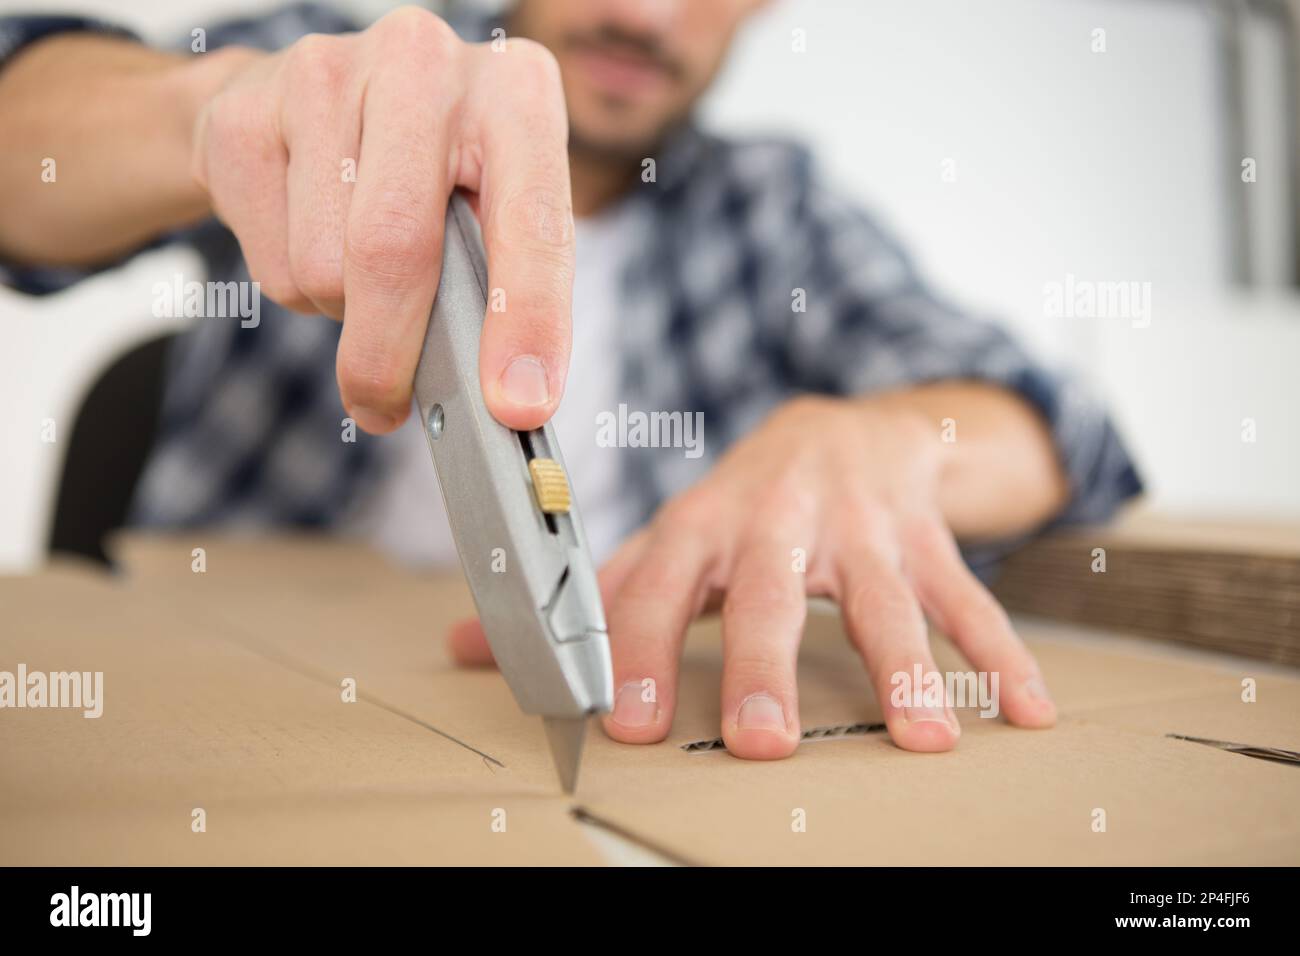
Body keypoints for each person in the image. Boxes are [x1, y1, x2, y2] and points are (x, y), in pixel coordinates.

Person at [0, 1, 1141, 760]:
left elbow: (1062, 429)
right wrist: (204, 115)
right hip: (221, 722)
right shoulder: (352, 71)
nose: (644, 15)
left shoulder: (771, 211)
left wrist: (886, 440)